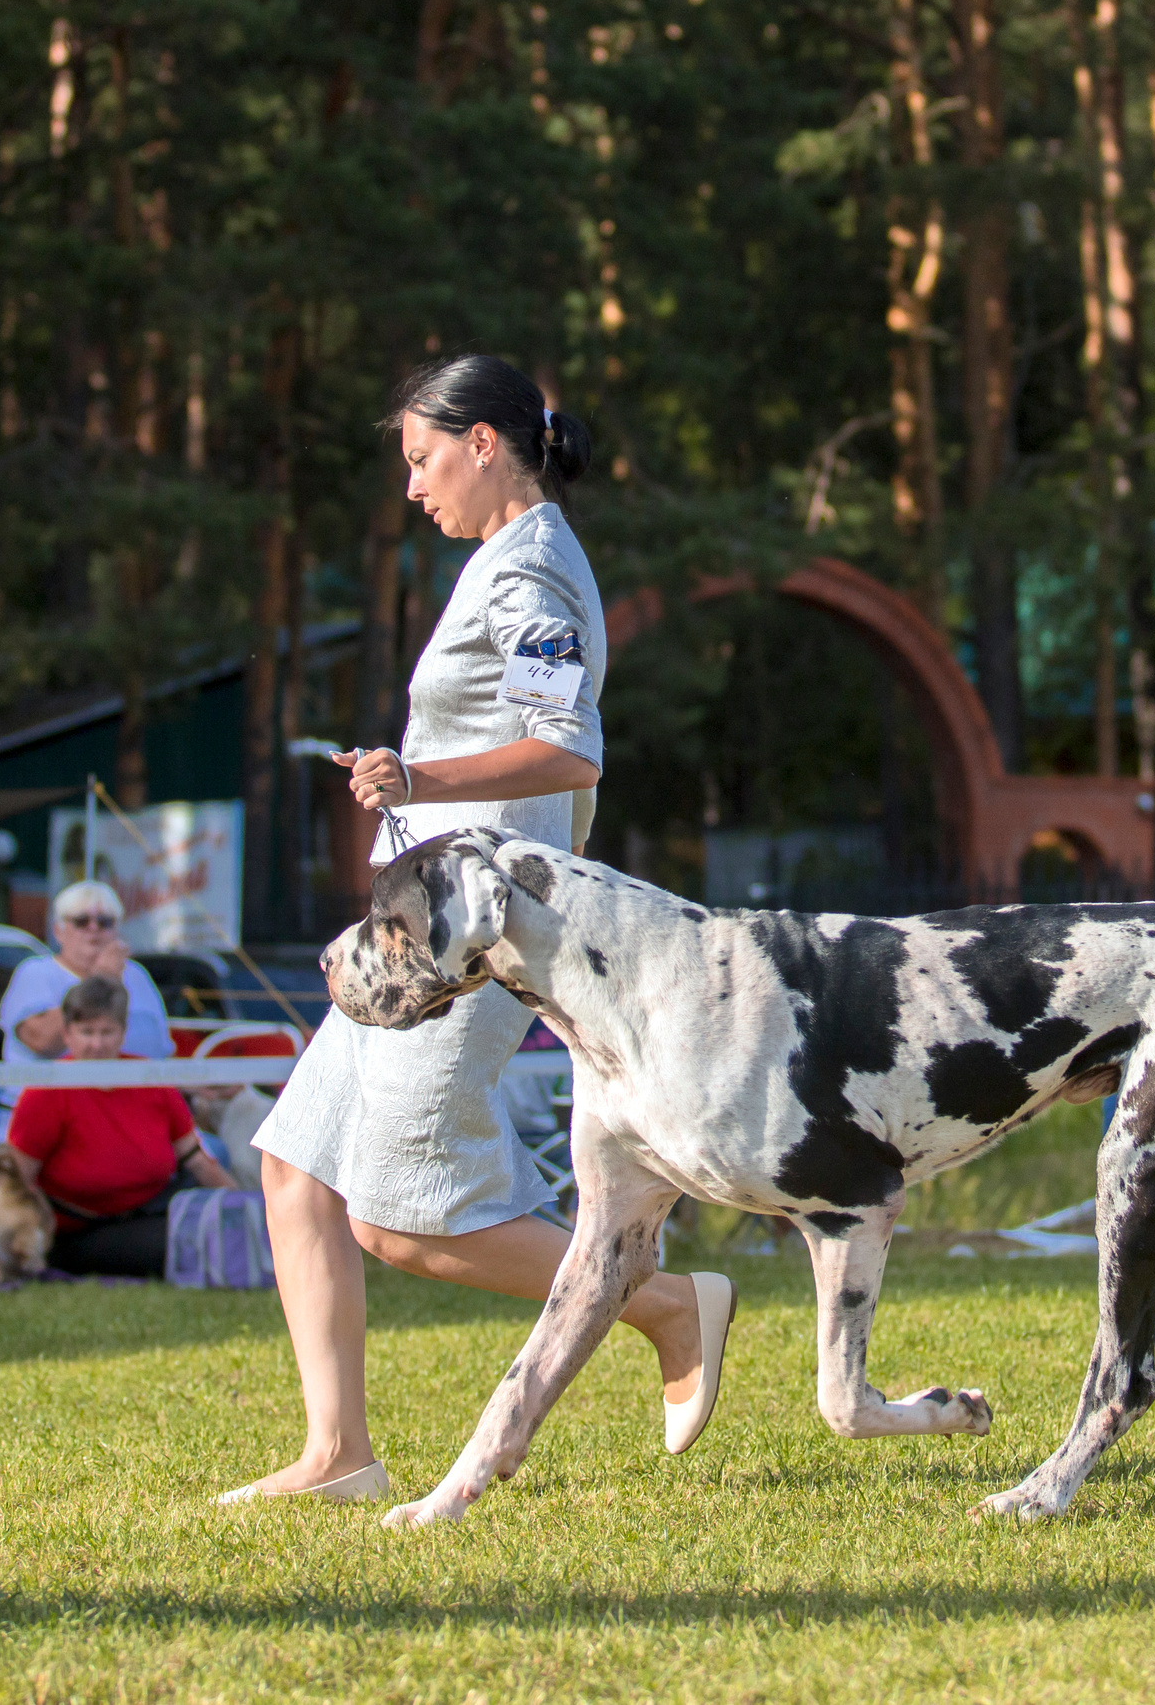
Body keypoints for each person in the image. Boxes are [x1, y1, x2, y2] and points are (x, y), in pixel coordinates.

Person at [239, 354, 727, 1507]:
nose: (412, 488)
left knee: (399, 1216)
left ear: (486, 443)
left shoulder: (530, 570)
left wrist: (419, 773)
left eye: (420, 460)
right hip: (420, 929)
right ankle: (338, 1454)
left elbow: (569, 746)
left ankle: (664, 1300)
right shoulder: (509, 562)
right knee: (293, 1169)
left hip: (474, 941)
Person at [5, 976, 238, 1276]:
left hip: (152, 1210)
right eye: (86, 1032)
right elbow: (17, 1180)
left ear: (123, 1032)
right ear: (67, 1034)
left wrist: (246, 1209)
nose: (97, 1044)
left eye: (107, 1032)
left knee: (209, 1230)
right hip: (76, 1230)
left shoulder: (151, 1078)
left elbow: (199, 1162)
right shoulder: (45, 1091)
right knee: (178, 1245)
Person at [0, 879, 172, 1136]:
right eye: (81, 921)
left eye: (105, 922)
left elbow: (162, 1052)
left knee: (216, 1151)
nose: (93, 929)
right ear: (58, 930)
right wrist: (99, 978)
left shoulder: (138, 976)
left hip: (134, 1115)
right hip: (48, 1121)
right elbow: (41, 1040)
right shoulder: (36, 973)